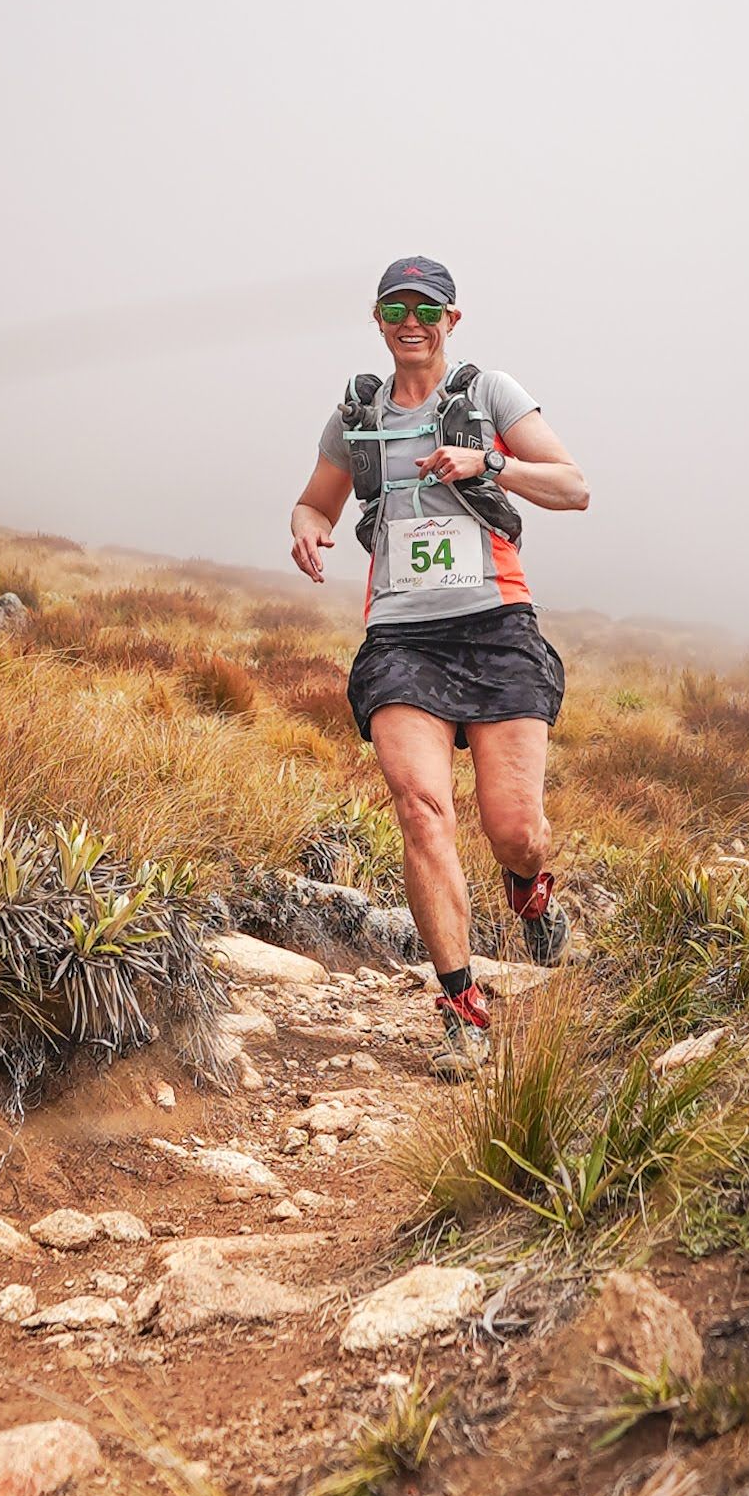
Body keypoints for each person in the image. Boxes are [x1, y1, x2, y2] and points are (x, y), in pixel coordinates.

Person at [289, 258, 589, 1072]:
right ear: (379, 317)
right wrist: (308, 524)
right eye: (396, 305)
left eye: (427, 306)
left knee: (514, 828)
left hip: (496, 628)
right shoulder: (358, 413)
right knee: (422, 809)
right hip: (401, 640)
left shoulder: (488, 393)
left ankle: (531, 889)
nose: (410, 318)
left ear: (453, 318)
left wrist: (487, 464)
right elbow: (317, 498)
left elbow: (573, 486)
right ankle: (462, 1007)